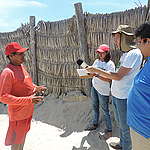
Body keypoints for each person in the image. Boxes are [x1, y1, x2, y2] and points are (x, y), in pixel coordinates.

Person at [86, 25, 143, 150]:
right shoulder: (125, 55)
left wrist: (97, 71)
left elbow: (117, 76)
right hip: (118, 94)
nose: (115, 42)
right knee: (120, 123)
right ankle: (122, 144)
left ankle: (126, 147)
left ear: (125, 38)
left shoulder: (133, 54)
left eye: (117, 38)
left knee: (125, 126)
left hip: (124, 96)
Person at [0, 42, 46, 150]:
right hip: (18, 115)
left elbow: (26, 84)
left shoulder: (21, 67)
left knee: (22, 138)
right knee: (17, 142)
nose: (23, 55)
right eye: (20, 54)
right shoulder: (7, 72)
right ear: (11, 56)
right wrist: (28, 100)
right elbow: (3, 96)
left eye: (23, 53)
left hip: (27, 112)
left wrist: (36, 88)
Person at [127, 22, 150, 150]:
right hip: (140, 128)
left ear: (147, 41)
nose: (138, 47)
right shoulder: (147, 60)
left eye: (139, 42)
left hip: (145, 132)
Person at [85, 44, 115, 139]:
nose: (100, 54)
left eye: (102, 53)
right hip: (95, 87)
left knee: (105, 110)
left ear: (107, 53)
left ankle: (109, 129)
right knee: (94, 106)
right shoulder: (96, 61)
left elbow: (110, 79)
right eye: (99, 52)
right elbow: (92, 73)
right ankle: (94, 123)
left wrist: (98, 75)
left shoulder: (110, 64)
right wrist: (87, 73)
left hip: (103, 90)